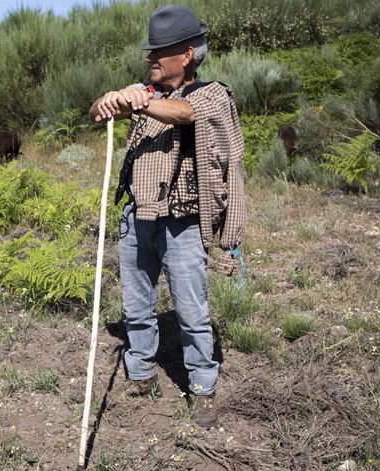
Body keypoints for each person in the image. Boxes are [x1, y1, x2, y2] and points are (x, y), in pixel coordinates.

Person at [88, 5, 246, 428]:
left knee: (192, 311)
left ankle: (202, 386)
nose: (150, 59)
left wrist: (142, 104)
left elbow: (186, 114)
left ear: (188, 54)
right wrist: (108, 102)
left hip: (182, 224)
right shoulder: (145, 91)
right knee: (136, 305)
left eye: (159, 52)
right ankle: (140, 374)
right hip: (138, 217)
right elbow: (97, 113)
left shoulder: (211, 93)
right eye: (149, 51)